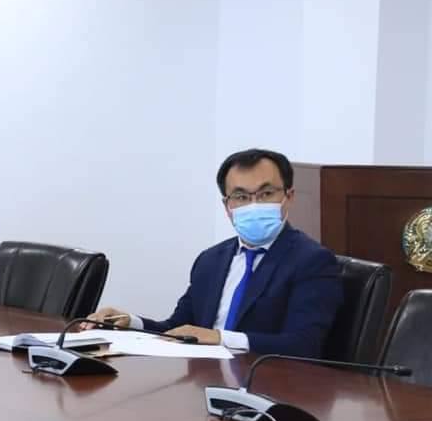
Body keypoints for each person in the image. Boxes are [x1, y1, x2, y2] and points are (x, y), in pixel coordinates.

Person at [88, 148, 342, 358]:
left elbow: (303, 344)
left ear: (289, 196)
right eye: (241, 196)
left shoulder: (312, 261)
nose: (253, 205)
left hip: (268, 385)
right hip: (204, 381)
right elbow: (179, 328)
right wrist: (130, 322)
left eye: (266, 194)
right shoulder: (211, 260)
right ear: (227, 205)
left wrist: (220, 338)